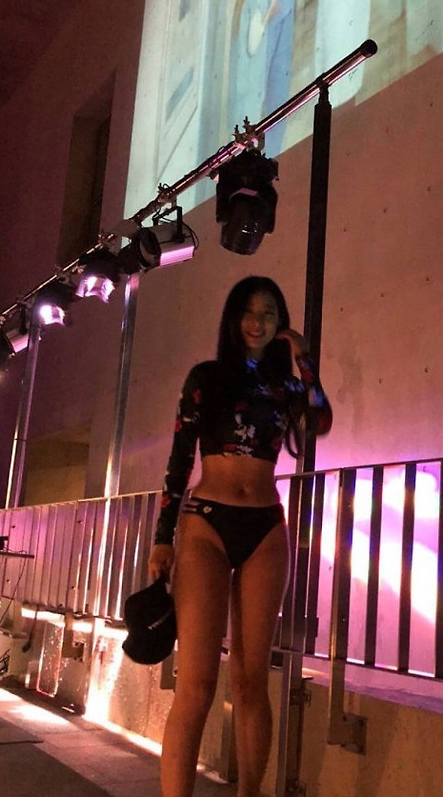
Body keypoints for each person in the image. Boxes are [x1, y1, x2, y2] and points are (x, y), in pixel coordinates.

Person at [148, 275, 333, 797]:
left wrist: (304, 358)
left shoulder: (286, 387)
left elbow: (320, 418)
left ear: (280, 323)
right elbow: (180, 459)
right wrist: (163, 538)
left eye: (269, 313)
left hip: (265, 526)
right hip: (207, 523)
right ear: (234, 319)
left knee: (252, 681)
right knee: (196, 685)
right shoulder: (206, 378)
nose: (259, 322)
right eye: (250, 312)